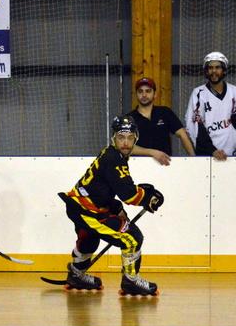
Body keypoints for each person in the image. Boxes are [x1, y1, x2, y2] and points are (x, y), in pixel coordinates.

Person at [59, 115, 164, 296]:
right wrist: (149, 197)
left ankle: (76, 275)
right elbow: (129, 195)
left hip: (79, 205)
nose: (125, 142)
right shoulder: (114, 159)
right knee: (132, 237)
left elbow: (102, 189)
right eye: (121, 137)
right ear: (113, 138)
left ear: (135, 139)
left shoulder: (110, 153)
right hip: (87, 211)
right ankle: (131, 281)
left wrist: (116, 208)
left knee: (89, 239)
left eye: (130, 138)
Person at [184, 51, 236, 160]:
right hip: (209, 156)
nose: (214, 71)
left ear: (224, 70)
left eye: (218, 67)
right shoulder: (198, 93)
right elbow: (194, 126)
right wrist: (211, 150)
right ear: (206, 71)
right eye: (210, 68)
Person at [128, 77, 195, 165]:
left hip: (165, 166)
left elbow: (183, 134)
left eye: (148, 91)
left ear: (155, 94)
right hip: (139, 167)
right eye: (140, 91)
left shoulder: (165, 112)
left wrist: (194, 159)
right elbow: (127, 147)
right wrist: (152, 152)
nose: (144, 95)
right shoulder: (129, 118)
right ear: (136, 94)